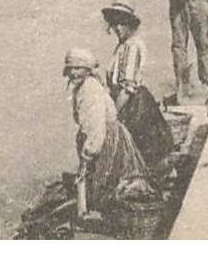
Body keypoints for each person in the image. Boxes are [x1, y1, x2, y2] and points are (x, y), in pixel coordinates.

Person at [62, 48, 148, 218]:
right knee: (100, 180)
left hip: (106, 140)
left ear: (87, 70)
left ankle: (91, 211)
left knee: (103, 179)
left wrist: (88, 152)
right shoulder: (84, 87)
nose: (73, 73)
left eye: (78, 68)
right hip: (104, 136)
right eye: (71, 68)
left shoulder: (89, 90)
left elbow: (96, 127)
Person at [102, 2, 175, 174]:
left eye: (122, 23)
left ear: (130, 24)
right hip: (130, 101)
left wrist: (114, 115)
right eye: (114, 23)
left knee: (137, 150)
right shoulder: (124, 45)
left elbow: (127, 87)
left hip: (133, 105)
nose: (117, 28)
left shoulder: (131, 46)